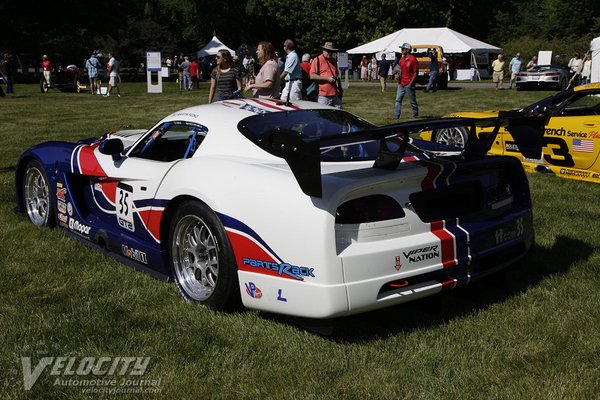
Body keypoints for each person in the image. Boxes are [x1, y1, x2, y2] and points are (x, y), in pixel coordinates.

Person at [309, 41, 342, 108]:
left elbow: (337, 76)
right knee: (324, 116)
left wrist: (340, 90)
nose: (330, 53)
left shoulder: (334, 60)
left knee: (338, 115)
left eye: (331, 51)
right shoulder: (317, 60)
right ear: (323, 50)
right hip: (323, 95)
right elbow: (312, 76)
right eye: (328, 51)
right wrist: (327, 79)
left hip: (335, 94)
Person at [392, 42, 418, 119]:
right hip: (401, 83)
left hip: (409, 83)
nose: (401, 50)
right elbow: (400, 69)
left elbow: (415, 73)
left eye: (402, 49)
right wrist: (398, 76)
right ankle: (396, 115)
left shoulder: (413, 60)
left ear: (407, 50)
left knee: (412, 101)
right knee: (398, 100)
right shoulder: (402, 58)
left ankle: (415, 115)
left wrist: (411, 83)